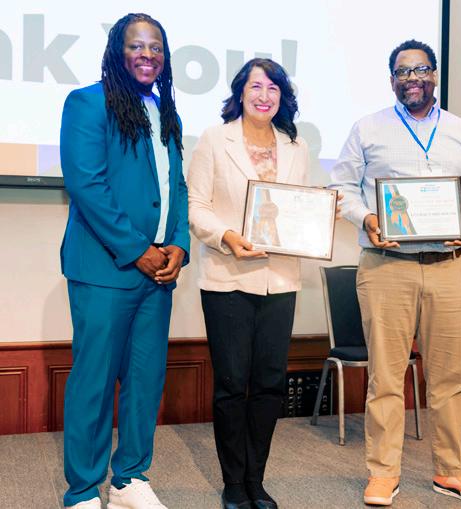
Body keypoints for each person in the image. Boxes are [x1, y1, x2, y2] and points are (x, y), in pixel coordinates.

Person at [329, 39, 461, 507]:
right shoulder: (367, 129)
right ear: (392, 81)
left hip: (449, 269)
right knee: (386, 378)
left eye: (421, 70)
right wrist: (367, 217)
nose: (413, 79)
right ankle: (383, 473)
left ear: (435, 76)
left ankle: (452, 471)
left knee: (450, 378)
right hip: (387, 269)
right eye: (403, 72)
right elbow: (341, 186)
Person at [59, 13, 189, 509]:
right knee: (94, 381)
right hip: (105, 270)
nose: (147, 55)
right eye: (137, 45)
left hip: (158, 274)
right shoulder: (88, 103)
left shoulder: (166, 111)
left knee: (144, 380)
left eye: (156, 47)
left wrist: (179, 244)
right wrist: (138, 250)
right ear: (117, 50)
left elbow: (177, 186)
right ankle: (82, 490)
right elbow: (86, 184)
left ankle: (129, 479)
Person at [187, 58, 309, 509]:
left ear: (282, 96)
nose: (264, 95)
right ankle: (233, 483)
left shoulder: (296, 145)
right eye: (256, 86)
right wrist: (226, 237)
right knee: (232, 383)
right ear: (240, 92)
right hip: (227, 278)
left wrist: (319, 216)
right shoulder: (214, 139)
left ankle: (256, 479)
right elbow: (196, 205)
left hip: (281, 280)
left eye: (273, 88)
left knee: (270, 384)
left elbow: (299, 206)